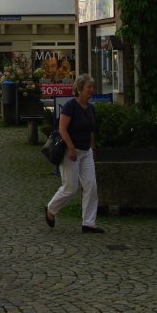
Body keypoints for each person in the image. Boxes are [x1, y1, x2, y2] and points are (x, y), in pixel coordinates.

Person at [45, 73, 105, 234]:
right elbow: (62, 128)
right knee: (70, 187)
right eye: (88, 87)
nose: (91, 90)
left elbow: (91, 131)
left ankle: (89, 223)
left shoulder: (91, 108)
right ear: (79, 89)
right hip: (70, 151)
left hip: (86, 152)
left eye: (92, 87)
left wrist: (93, 149)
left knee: (91, 185)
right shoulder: (70, 106)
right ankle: (51, 209)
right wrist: (71, 148)